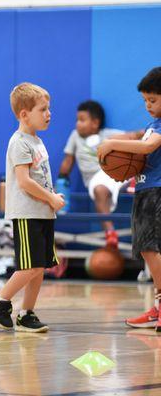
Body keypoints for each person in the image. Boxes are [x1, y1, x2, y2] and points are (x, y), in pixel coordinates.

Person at [0, 82, 65, 333]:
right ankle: (0, 299)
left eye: (48, 108)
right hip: (27, 212)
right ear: (24, 114)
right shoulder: (19, 142)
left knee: (39, 266)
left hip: (42, 212)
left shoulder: (37, 141)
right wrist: (50, 198)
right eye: (43, 109)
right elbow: (23, 181)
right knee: (29, 266)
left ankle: (26, 313)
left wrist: (51, 196)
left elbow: (39, 177)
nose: (48, 114)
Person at [97, 67, 161, 330]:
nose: (147, 105)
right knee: (148, 249)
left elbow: (146, 148)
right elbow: (143, 157)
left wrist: (112, 143)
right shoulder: (151, 125)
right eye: (145, 100)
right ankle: (157, 308)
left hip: (157, 193)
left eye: (153, 100)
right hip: (146, 190)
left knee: (150, 247)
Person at [58, 100, 143, 247]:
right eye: (77, 120)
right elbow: (68, 161)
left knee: (139, 174)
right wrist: (61, 180)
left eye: (82, 120)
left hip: (114, 173)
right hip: (94, 178)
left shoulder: (107, 134)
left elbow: (132, 136)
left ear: (95, 123)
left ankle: (134, 183)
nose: (77, 123)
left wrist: (145, 133)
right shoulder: (75, 136)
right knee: (100, 190)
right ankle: (109, 231)